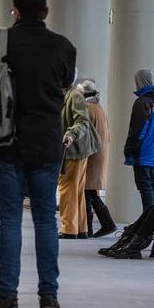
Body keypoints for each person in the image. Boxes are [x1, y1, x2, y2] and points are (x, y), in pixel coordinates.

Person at [0, 0, 76, 308]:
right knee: (46, 220)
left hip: (7, 142)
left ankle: (8, 296)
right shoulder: (63, 46)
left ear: (15, 11)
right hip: (47, 142)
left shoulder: (1, 42)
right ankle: (49, 297)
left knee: (10, 219)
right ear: (46, 12)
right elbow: (66, 81)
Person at [124, 69, 154, 212]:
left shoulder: (142, 102)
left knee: (144, 185)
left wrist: (129, 149)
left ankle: (149, 218)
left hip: (142, 150)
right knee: (151, 182)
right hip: (153, 148)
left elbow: (137, 130)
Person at [59, 81, 98, 238]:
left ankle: (69, 229)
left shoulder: (74, 96)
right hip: (76, 150)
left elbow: (82, 122)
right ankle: (81, 228)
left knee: (67, 189)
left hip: (73, 150)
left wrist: (71, 134)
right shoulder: (70, 95)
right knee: (76, 190)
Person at [79, 80, 116, 238]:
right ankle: (107, 224)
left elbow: (84, 133)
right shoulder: (98, 107)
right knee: (91, 192)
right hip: (99, 153)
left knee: (87, 191)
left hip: (92, 154)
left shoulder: (87, 108)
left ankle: (87, 229)